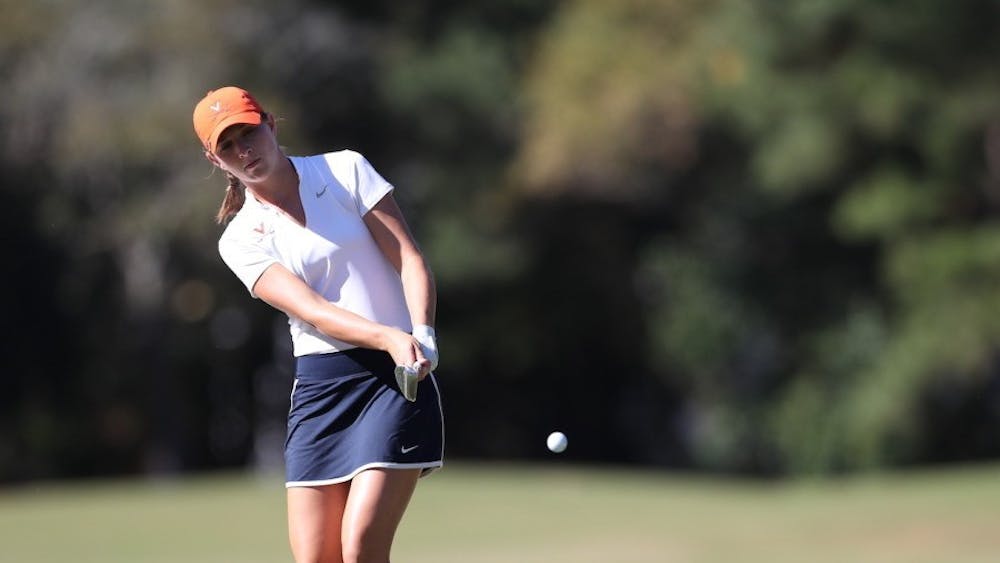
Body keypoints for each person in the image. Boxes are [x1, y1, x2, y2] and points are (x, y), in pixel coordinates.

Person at [192, 86, 444, 563]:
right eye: (227, 145)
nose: (244, 150)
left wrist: (421, 333)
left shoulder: (344, 169)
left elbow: (409, 257)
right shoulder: (239, 239)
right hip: (321, 389)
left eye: (248, 132)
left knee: (361, 545)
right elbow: (311, 310)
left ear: (269, 123)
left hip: (394, 379)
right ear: (214, 158)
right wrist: (388, 336)